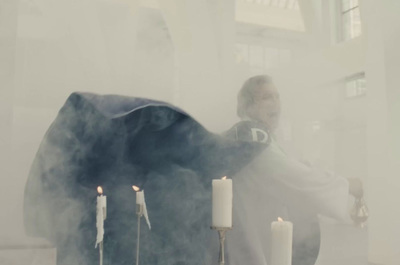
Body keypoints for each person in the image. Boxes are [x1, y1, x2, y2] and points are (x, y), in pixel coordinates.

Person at [224, 75, 363, 265]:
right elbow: (295, 178)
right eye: (266, 97)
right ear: (249, 105)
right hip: (251, 244)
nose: (276, 103)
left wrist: (296, 164)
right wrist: (347, 185)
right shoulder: (252, 136)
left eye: (277, 96)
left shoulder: (254, 134)